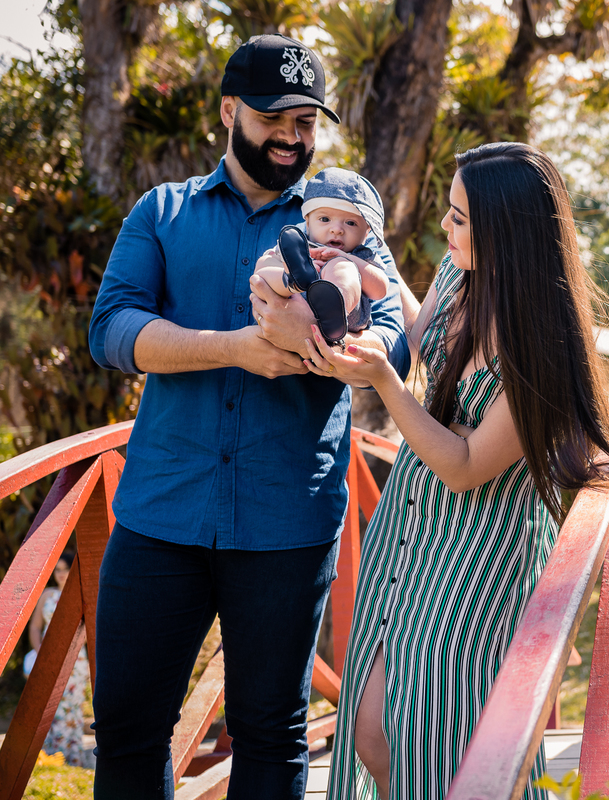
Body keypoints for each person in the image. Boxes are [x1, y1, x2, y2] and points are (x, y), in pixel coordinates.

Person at [87, 33, 412, 800]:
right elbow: (111, 330)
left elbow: (393, 326)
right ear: (229, 111)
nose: (293, 138)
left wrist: (351, 345)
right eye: (275, 119)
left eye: (307, 123)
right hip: (159, 514)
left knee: (271, 734)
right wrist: (235, 347)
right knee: (130, 732)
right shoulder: (162, 212)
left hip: (286, 526)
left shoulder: (344, 221)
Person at [310, 142, 609, 799]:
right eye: (448, 213)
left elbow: (467, 465)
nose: (446, 229)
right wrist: (354, 265)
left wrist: (383, 381)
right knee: (371, 729)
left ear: (506, 231)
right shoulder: (457, 274)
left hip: (479, 547)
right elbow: (426, 339)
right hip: (410, 527)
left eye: (460, 219)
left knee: (441, 734)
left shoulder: (540, 344)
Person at [255, 167, 391, 344]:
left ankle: (335, 306)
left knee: (342, 267)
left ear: (367, 233)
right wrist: (279, 264)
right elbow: (258, 276)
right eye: (325, 219)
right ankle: (292, 279)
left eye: (350, 223)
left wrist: (346, 258)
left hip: (342, 319)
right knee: (266, 262)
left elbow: (380, 289)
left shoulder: (360, 254)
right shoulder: (299, 245)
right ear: (308, 223)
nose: (336, 229)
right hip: (290, 301)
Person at [26, 554, 91, 767]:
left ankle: (71, 761)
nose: (61, 573)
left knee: (70, 711)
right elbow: (35, 627)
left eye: (66, 569)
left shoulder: (80, 594)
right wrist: (40, 652)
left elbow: (90, 629)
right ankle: (48, 760)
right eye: (58, 569)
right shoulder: (47, 595)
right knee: (46, 710)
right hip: (47, 660)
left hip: (75, 662)